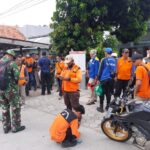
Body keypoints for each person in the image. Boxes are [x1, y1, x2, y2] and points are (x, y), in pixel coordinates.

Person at [0, 49, 25, 133]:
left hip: (1, 90)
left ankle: (6, 127)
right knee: (15, 108)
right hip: (10, 90)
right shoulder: (12, 63)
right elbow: (17, 76)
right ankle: (16, 127)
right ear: (11, 55)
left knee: (4, 107)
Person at [97, 48, 117, 112]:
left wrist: (98, 79)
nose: (104, 53)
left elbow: (100, 70)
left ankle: (101, 107)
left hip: (104, 79)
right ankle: (107, 107)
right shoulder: (114, 60)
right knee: (108, 93)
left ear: (106, 52)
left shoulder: (104, 60)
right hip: (111, 79)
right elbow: (115, 71)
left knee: (101, 93)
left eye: (105, 52)